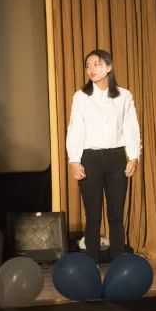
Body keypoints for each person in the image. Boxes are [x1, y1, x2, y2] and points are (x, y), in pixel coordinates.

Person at [66, 49, 141, 264]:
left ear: (108, 67)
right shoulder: (81, 97)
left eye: (96, 64)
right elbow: (75, 128)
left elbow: (131, 126)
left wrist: (133, 157)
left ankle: (118, 263)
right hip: (90, 158)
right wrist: (74, 160)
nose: (91, 69)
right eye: (88, 65)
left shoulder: (124, 95)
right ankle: (91, 264)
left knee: (116, 216)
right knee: (93, 217)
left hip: (116, 157)